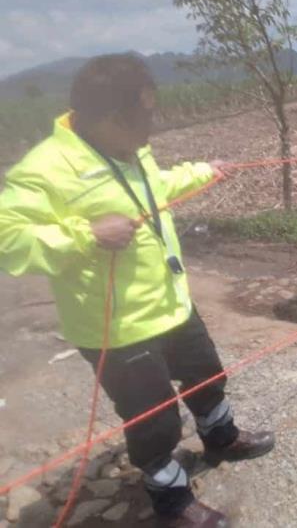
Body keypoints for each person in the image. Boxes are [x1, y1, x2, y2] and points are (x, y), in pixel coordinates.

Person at [0, 54, 274, 527]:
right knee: (154, 420)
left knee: (207, 375)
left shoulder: (131, 148)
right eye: (144, 115)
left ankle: (221, 436)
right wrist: (85, 236)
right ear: (109, 118)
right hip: (118, 328)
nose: (152, 125)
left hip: (172, 303)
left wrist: (205, 170)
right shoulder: (45, 168)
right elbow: (8, 238)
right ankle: (169, 498)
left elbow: (155, 187)